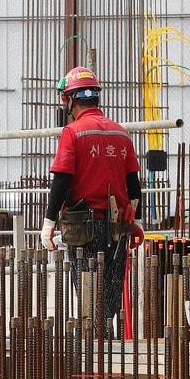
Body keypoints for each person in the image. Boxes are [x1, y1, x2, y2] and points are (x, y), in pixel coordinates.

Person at [40, 66, 145, 325]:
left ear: (70, 99)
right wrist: (138, 222)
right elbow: (134, 183)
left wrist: (49, 223)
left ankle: (92, 345)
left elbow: (62, 180)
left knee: (88, 292)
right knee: (110, 293)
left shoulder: (73, 133)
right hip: (118, 227)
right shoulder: (121, 133)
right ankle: (107, 341)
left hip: (84, 229)